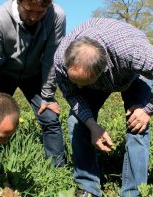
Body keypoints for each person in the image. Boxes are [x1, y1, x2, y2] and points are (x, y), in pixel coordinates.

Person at [54, 18, 153, 197]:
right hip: (98, 78)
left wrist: (147, 110)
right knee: (76, 121)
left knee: (138, 126)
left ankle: (134, 192)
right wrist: (93, 126)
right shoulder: (61, 60)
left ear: (103, 70)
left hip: (132, 76)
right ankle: (88, 187)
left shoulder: (134, 52)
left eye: (83, 82)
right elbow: (73, 94)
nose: (79, 87)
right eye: (74, 80)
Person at [0, 0, 66, 167]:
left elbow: (52, 57)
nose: (34, 17)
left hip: (35, 74)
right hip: (4, 73)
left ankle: (57, 169)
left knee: (50, 117)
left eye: (40, 12)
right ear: (19, 2)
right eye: (28, 11)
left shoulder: (57, 16)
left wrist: (48, 96)